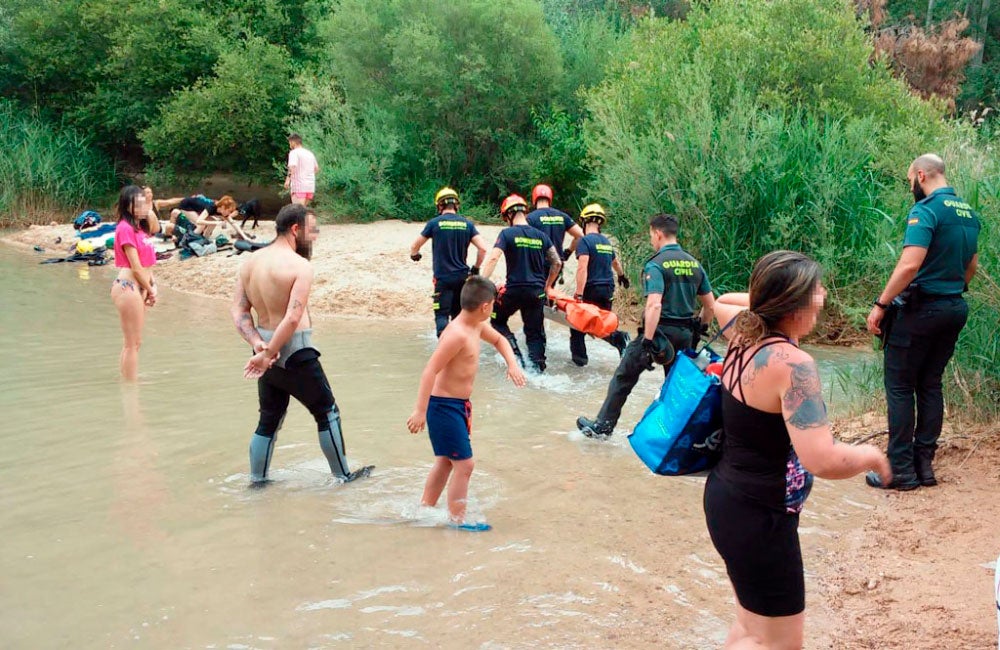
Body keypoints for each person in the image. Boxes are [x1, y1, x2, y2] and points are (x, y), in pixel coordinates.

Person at [704, 251, 891, 650]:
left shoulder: (741, 333)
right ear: (793, 305)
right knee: (780, 643)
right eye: (815, 291)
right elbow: (821, 458)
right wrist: (872, 456)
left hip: (727, 502)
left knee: (752, 627)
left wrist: (767, 302)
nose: (822, 297)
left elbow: (721, 302)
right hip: (761, 517)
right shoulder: (792, 364)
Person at [230, 203, 373, 485]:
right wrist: (271, 352)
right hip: (295, 351)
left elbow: (239, 312)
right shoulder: (300, 266)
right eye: (312, 229)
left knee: (269, 419)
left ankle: (257, 481)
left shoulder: (249, 263)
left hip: (264, 349)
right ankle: (343, 477)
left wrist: (260, 345)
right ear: (296, 229)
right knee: (327, 412)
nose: (316, 235)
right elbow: (293, 317)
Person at [865, 153, 981, 490]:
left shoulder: (926, 210)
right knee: (930, 384)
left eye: (909, 181)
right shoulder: (968, 214)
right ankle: (923, 467)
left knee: (900, 386)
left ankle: (900, 471)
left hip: (921, 310)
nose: (911, 188)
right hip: (953, 308)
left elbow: (908, 266)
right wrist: (952, 290)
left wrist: (880, 304)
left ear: (921, 175)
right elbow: (970, 266)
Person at [577, 213, 715, 438]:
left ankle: (603, 426)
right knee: (675, 388)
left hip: (658, 334)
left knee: (624, 377)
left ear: (658, 234)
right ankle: (678, 434)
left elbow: (654, 305)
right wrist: (697, 333)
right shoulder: (694, 264)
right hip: (685, 335)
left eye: (652, 235)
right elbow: (710, 306)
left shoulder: (656, 264)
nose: (652, 239)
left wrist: (647, 342)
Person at [406, 276, 527, 529]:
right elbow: (429, 370)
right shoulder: (457, 333)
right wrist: (420, 410)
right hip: (443, 407)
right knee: (465, 464)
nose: (493, 308)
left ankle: (425, 509)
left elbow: (500, 340)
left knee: (446, 461)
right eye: (493, 304)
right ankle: (457, 520)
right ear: (485, 306)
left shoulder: (477, 325)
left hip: (458, 407)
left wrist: (512, 364)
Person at [481, 194, 562, 372]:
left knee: (497, 320)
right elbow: (557, 262)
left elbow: (494, 257)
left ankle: (515, 355)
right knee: (535, 333)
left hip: (513, 292)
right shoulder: (541, 236)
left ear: (508, 215)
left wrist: (481, 283)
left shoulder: (507, 233)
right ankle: (538, 368)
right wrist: (547, 286)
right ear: (524, 212)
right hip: (536, 294)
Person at [409, 187, 488, 337]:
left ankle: (444, 350)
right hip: (462, 279)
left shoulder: (434, 223)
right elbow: (483, 249)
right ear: (456, 205)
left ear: (439, 206)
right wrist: (476, 268)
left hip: (443, 279)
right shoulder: (468, 224)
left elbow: (415, 246)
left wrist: (415, 255)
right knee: (459, 317)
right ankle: (461, 349)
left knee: (441, 316)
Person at [569, 203, 630, 366]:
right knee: (601, 324)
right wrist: (622, 276)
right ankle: (619, 338)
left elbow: (582, 267)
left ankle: (579, 364)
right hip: (608, 288)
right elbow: (615, 263)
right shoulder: (606, 242)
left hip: (591, 289)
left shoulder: (585, 241)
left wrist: (579, 295)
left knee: (577, 327)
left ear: (584, 222)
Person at [111, 185, 160, 381]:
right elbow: (136, 266)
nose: (141, 207)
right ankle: (130, 391)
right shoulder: (125, 228)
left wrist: (151, 286)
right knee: (132, 344)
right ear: (127, 205)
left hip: (139, 287)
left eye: (143, 203)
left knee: (135, 343)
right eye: (137, 204)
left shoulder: (140, 228)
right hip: (128, 287)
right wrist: (150, 289)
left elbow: (155, 227)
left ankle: (127, 383)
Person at [526, 183, 583, 276]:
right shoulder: (562, 216)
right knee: (550, 289)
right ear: (550, 198)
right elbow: (580, 235)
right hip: (556, 264)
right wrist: (568, 252)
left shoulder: (531, 218)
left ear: (534, 198)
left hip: (537, 265)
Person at [284, 133, 319, 206]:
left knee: (297, 211)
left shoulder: (294, 153)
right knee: (303, 211)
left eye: (290, 142)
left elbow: (292, 168)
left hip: (299, 187)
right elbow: (316, 169)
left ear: (293, 142)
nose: (289, 145)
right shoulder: (309, 153)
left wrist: (288, 180)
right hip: (310, 187)